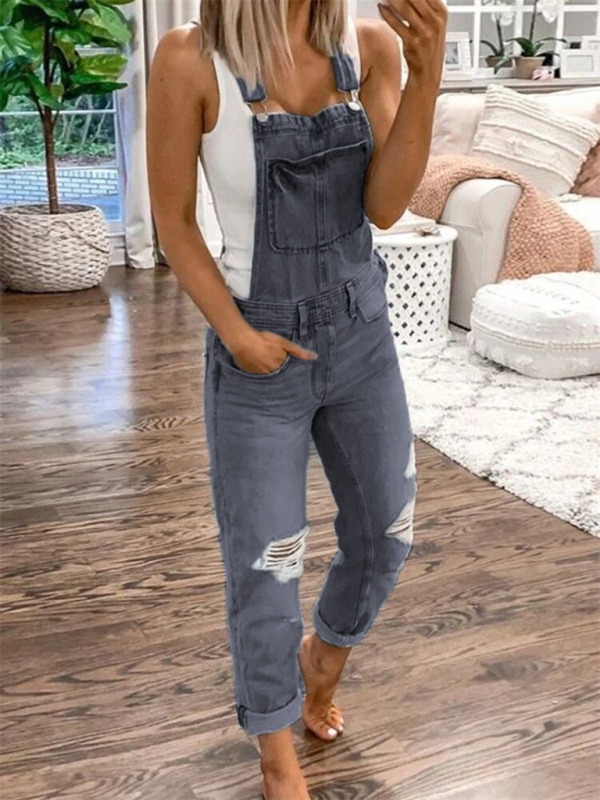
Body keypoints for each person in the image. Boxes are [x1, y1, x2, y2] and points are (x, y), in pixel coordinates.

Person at [146, 1, 446, 797]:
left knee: (386, 534)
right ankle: (275, 751)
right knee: (266, 564)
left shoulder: (369, 46)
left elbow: (385, 207)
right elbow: (173, 221)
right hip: (258, 351)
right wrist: (236, 334)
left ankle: (324, 661)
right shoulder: (190, 58)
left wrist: (427, 77)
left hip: (361, 335)